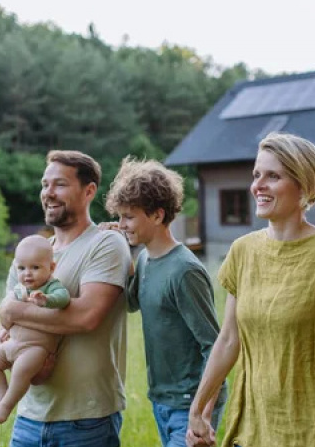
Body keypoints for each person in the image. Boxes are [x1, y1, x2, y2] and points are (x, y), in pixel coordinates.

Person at [186, 133, 315, 447]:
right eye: (256, 175)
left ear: (304, 186)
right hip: (254, 426)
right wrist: (198, 409)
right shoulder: (243, 251)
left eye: (273, 176)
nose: (258, 186)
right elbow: (228, 339)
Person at [0, 150, 133, 447]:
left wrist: (12, 310)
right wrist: (14, 336)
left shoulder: (106, 243)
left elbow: (86, 317)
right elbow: (4, 327)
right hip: (29, 417)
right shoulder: (31, 253)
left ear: (89, 191)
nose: (48, 193)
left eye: (59, 184)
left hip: (86, 421)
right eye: (45, 185)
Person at [102, 157, 228, 447]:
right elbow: (132, 302)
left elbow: (215, 345)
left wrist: (203, 416)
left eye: (128, 217)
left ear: (157, 216)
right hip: (162, 399)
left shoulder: (185, 271)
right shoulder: (145, 257)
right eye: (120, 216)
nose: (121, 224)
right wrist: (117, 247)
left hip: (190, 404)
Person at [0, 235, 70, 424]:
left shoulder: (51, 286)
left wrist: (46, 300)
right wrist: (6, 326)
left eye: (35, 267)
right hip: (13, 342)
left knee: (21, 371)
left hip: (36, 348)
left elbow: (64, 298)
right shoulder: (19, 288)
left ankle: (6, 406)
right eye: (21, 268)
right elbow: (6, 309)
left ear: (51, 268)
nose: (27, 274)